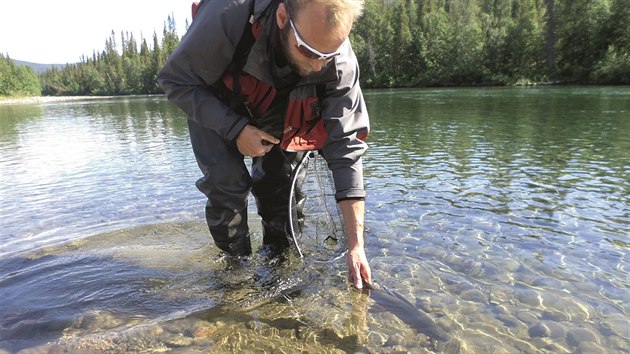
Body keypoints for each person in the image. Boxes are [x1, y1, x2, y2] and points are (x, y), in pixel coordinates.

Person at [158, 0, 371, 289]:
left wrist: (356, 245)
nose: (318, 65)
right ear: (283, 17)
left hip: (283, 108)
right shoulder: (227, 14)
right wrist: (235, 129)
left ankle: (278, 271)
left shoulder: (339, 62)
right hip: (216, 100)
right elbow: (176, 80)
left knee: (282, 191)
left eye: (328, 55)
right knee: (227, 186)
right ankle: (236, 275)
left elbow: (346, 148)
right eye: (309, 51)